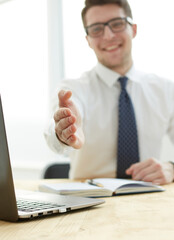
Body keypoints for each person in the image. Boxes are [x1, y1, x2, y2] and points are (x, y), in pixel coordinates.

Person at [44, 0, 174, 184]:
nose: (108, 35)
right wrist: (64, 132)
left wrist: (172, 168)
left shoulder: (166, 90)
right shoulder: (73, 90)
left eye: (117, 24)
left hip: (149, 200)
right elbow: (54, 138)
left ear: (134, 29)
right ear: (88, 40)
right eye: (96, 29)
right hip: (89, 203)